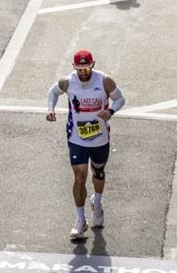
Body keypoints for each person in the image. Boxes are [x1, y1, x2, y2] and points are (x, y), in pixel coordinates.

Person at [46, 49, 125, 242]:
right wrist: (50, 109)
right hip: (77, 137)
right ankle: (80, 220)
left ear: (93, 65)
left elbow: (120, 99)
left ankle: (97, 202)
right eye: (79, 69)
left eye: (86, 68)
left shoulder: (105, 81)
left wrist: (111, 111)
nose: (83, 72)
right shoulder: (68, 82)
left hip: (100, 138)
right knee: (80, 176)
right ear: (74, 67)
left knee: (98, 172)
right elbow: (53, 92)